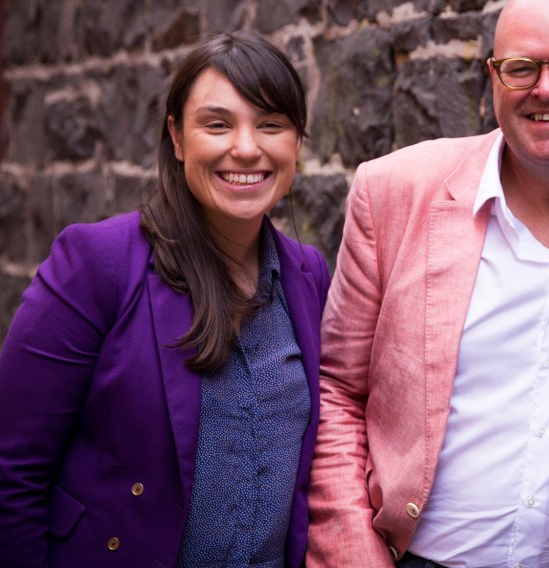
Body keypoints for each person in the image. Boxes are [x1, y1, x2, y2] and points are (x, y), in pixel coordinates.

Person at [307, 0, 549, 568]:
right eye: (520, 68)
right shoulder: (394, 192)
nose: (546, 88)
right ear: (492, 80)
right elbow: (337, 391)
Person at [0, 32, 330, 567]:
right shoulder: (97, 263)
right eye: (217, 124)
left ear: (296, 142)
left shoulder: (307, 275)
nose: (246, 147)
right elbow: (12, 467)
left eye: (271, 124)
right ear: (177, 138)